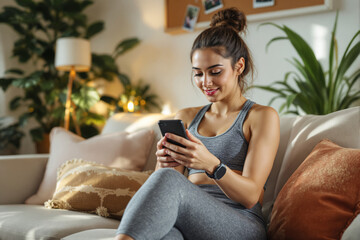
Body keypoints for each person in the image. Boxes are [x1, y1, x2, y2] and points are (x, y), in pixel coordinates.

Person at [115, 7, 280, 240]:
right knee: (165, 236)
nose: (206, 82)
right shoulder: (186, 117)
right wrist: (164, 162)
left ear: (239, 67)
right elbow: (168, 180)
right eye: (198, 73)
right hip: (190, 218)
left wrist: (211, 164)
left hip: (240, 223)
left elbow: (251, 195)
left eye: (215, 72)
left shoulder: (260, 116)